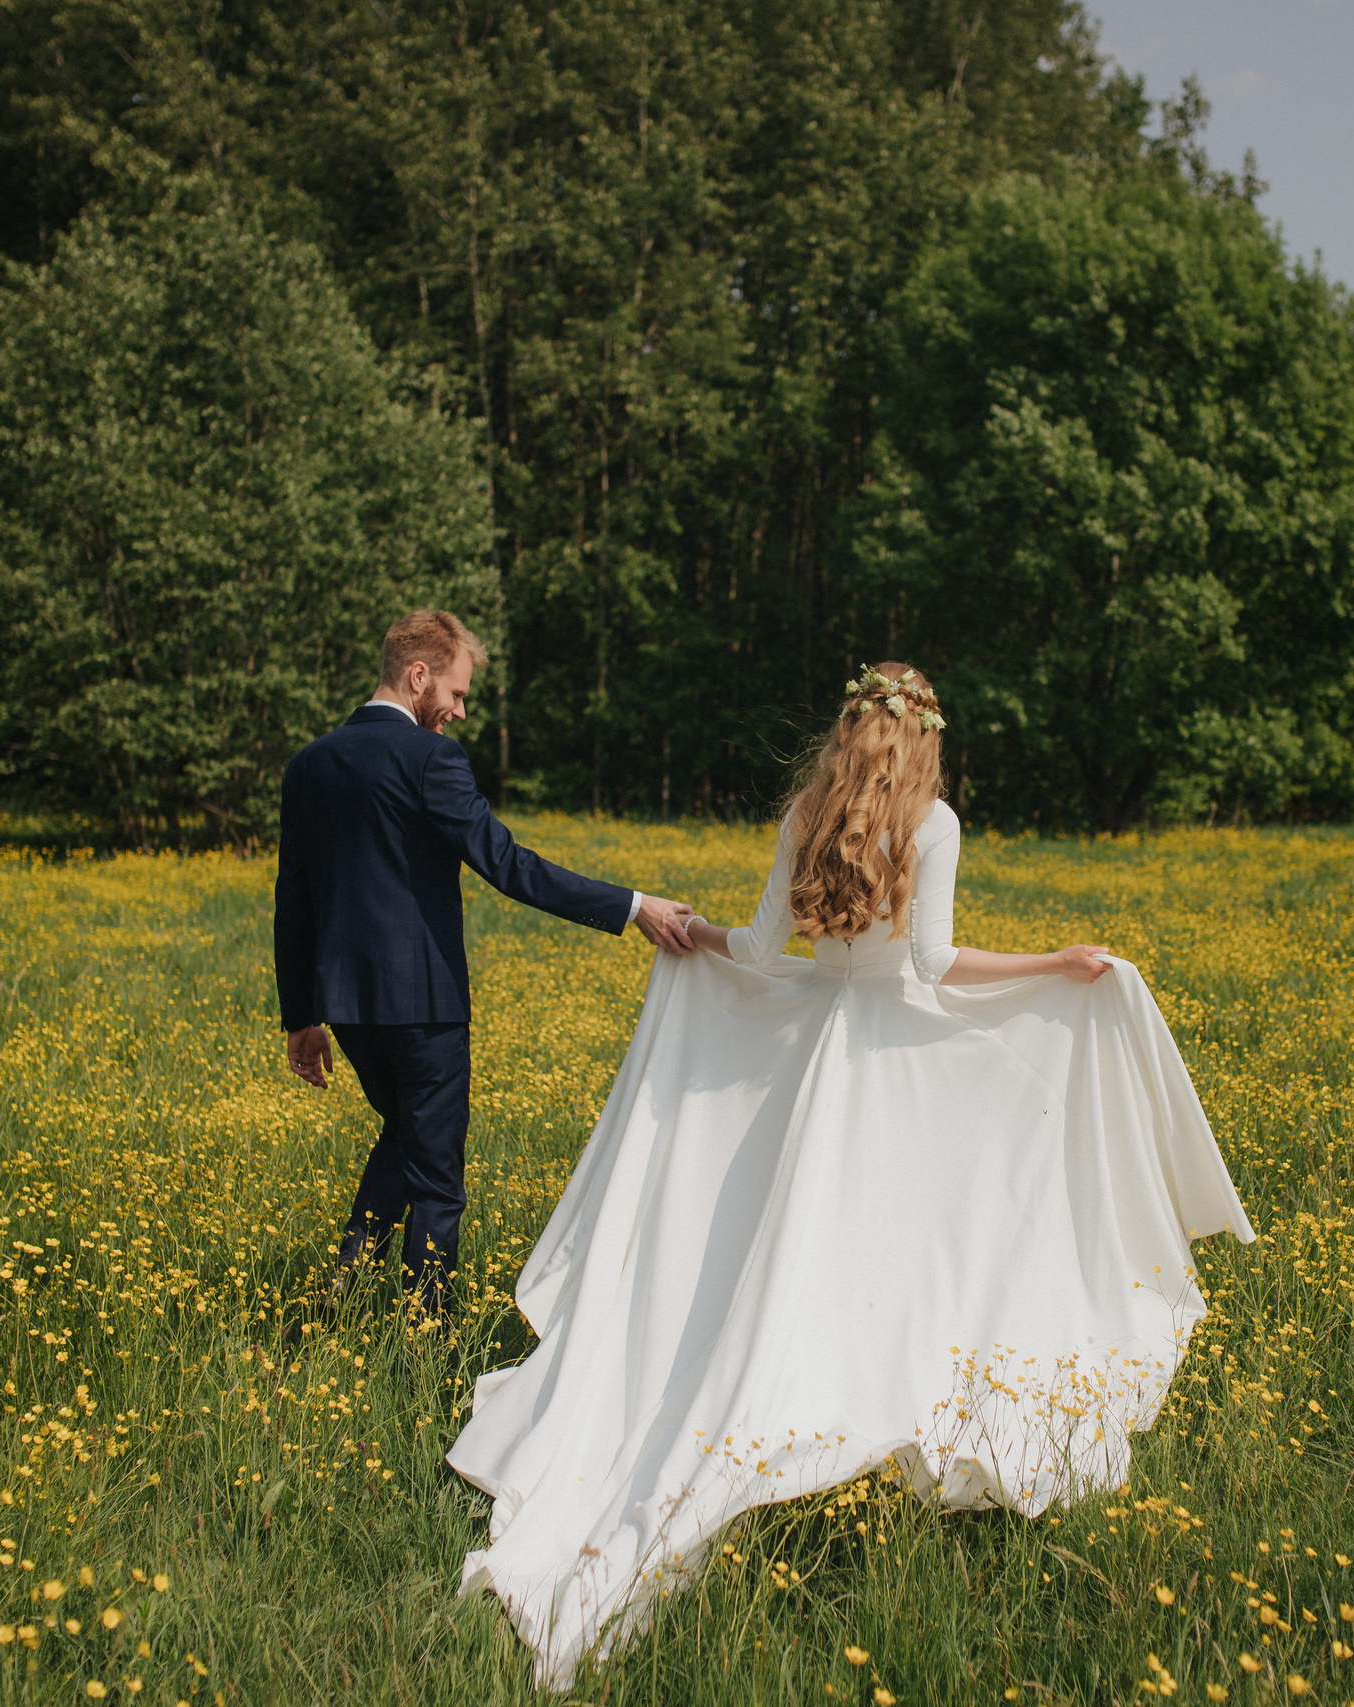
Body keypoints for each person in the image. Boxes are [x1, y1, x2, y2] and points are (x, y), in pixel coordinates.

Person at [446, 662, 1257, 1688]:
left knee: (786, 1237)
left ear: (845, 731)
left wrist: (692, 937)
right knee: (903, 1246)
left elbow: (755, 943)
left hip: (807, 1049)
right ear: (923, 739)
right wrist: (1052, 964)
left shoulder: (804, 812)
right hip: (888, 1059)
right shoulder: (933, 823)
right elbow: (929, 965)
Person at [274, 609, 700, 1315]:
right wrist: (633, 906)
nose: (461, 711)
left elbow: (294, 897)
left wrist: (303, 1015)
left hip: (347, 1005)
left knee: (408, 1132)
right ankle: (425, 1343)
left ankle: (342, 1289)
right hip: (426, 1005)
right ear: (418, 677)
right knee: (438, 1177)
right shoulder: (429, 758)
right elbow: (506, 864)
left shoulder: (309, 765)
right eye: (457, 692)